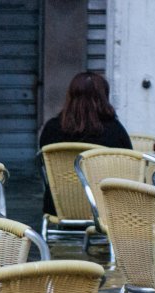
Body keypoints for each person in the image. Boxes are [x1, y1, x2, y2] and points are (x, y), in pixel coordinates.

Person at [38, 71, 132, 215]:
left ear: (70, 96)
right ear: (103, 97)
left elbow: (43, 166)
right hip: (105, 209)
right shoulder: (115, 130)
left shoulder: (52, 128)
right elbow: (128, 168)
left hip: (59, 208)